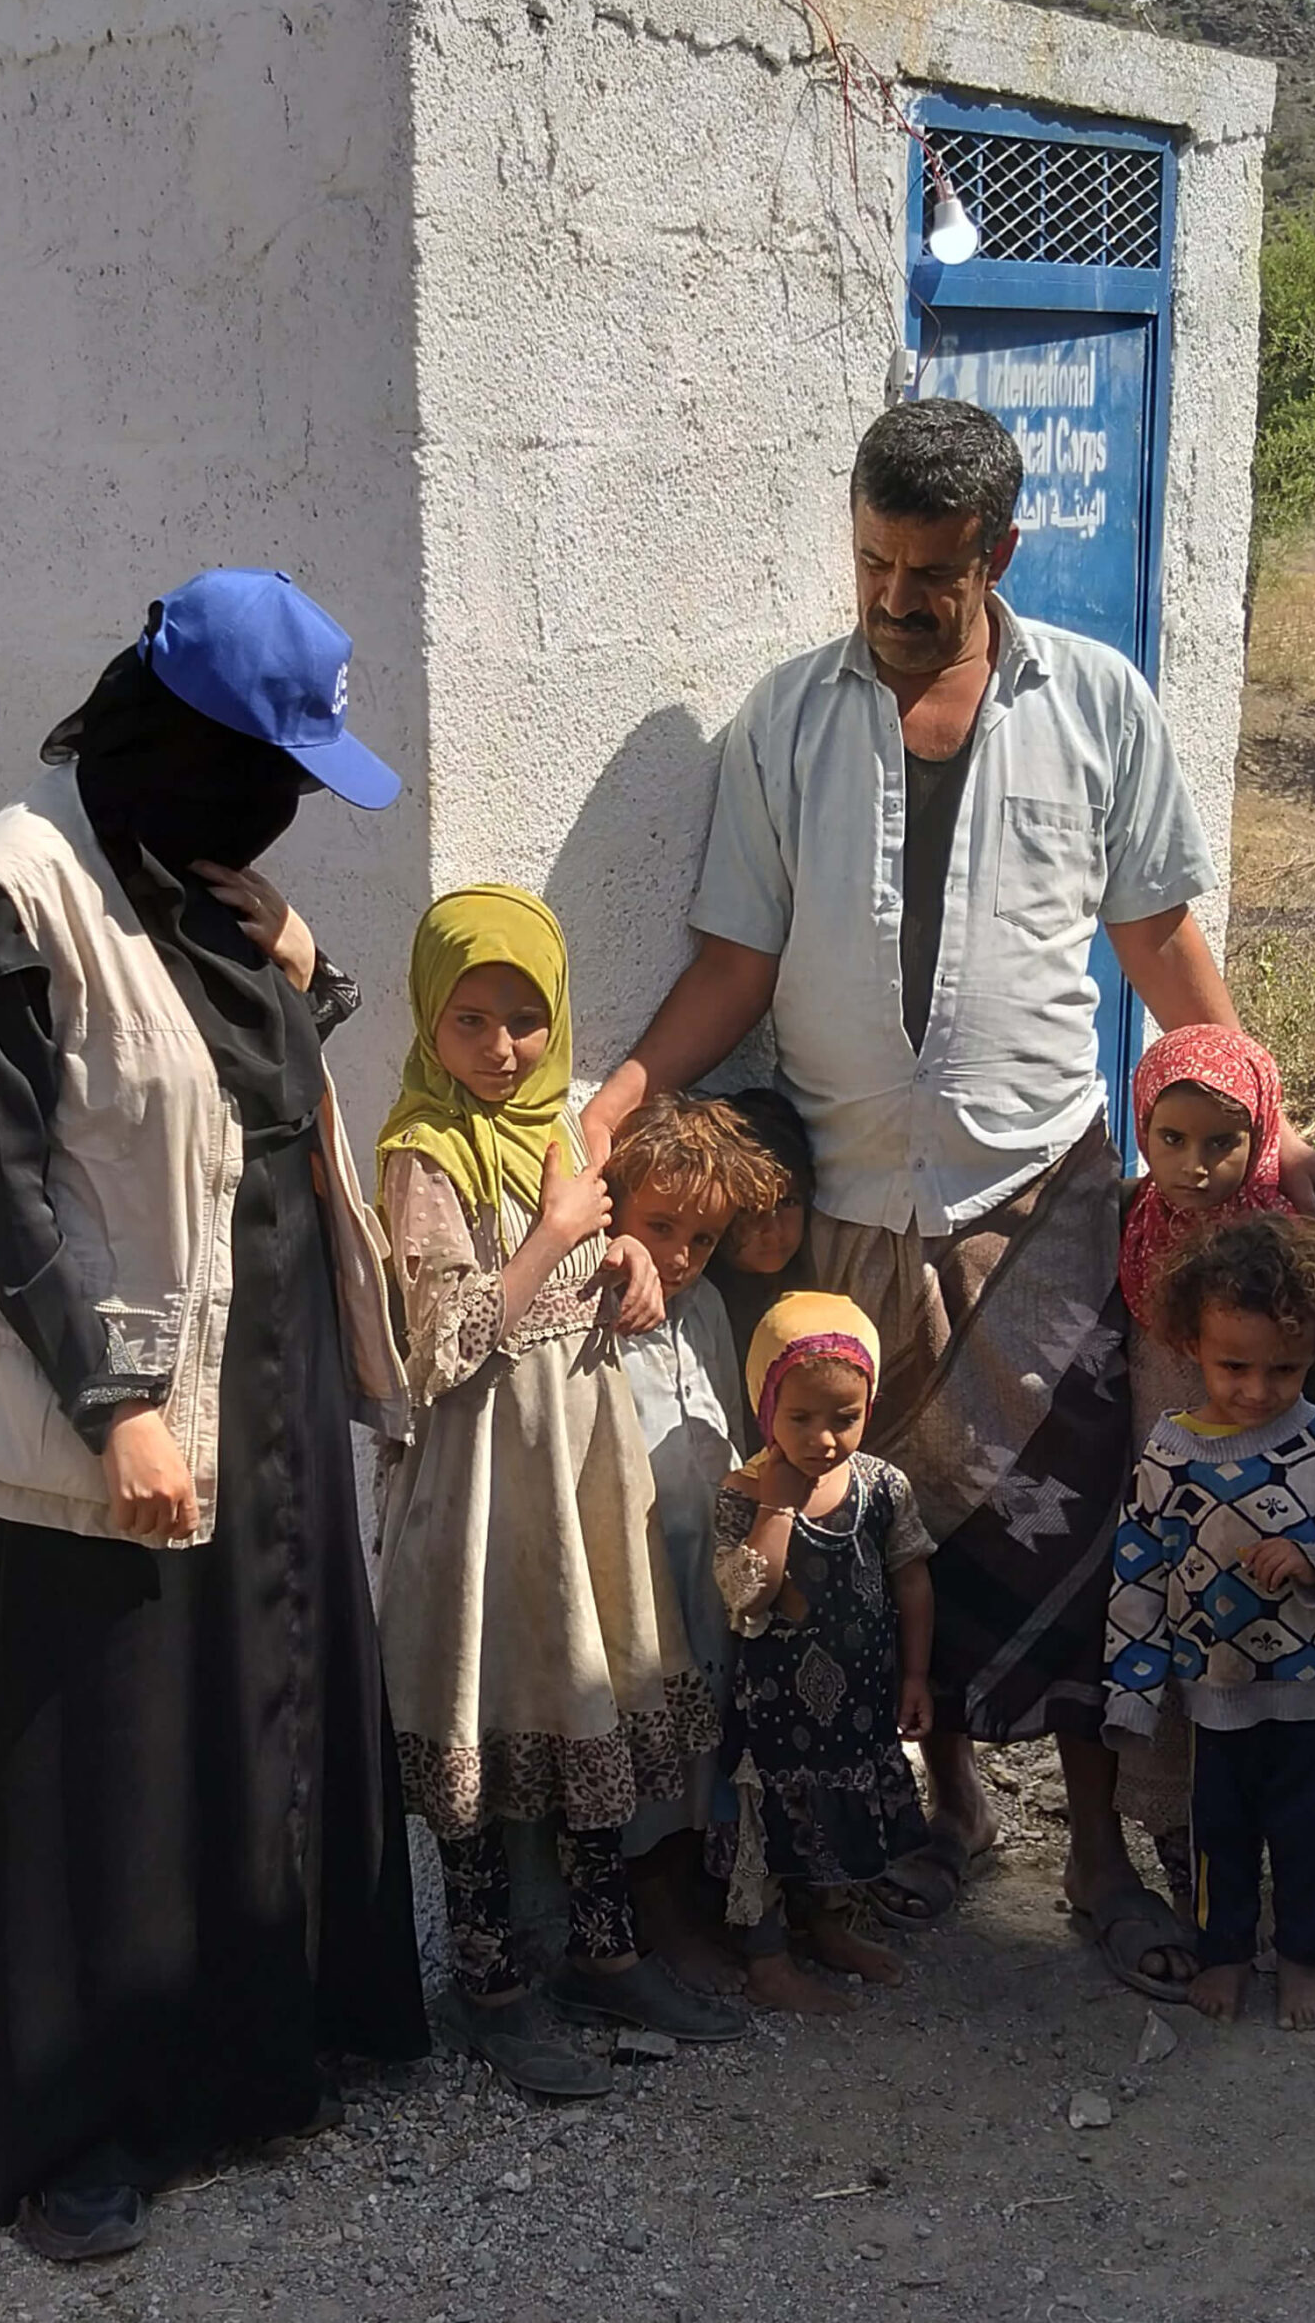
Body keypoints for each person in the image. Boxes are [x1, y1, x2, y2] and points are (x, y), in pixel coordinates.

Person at [585, 396, 1315, 1997]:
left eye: (925, 572)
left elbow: (1155, 945)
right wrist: (616, 1099)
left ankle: (1088, 1855)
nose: (889, 599)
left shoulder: (1097, 706)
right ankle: (932, 1816)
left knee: (1071, 1540)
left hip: (1045, 1200)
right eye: (868, 562)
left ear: (996, 553)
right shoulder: (786, 722)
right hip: (849, 1209)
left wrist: (1257, 1135)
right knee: (873, 1547)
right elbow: (734, 961)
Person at [0, 571, 429, 2260]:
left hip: (270, 1358)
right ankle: (77, 2132)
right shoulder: (14, 888)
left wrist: (313, 981)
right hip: (112, 1379)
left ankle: (265, 2048)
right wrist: (113, 1407)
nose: (282, 807)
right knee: (105, 1745)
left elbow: (232, 1087)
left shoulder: (201, 876)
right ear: (182, 738)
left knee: (265, 1691)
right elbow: (0, 1178)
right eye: (266, 762)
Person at [373, 886, 746, 2098]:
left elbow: (595, 1244)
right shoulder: (420, 1155)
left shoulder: (570, 1122)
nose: (499, 1050)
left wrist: (621, 1246)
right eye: (470, 1020)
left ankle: (604, 1952)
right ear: (430, 1019)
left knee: (592, 1703)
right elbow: (437, 1345)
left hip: (579, 1469)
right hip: (482, 1484)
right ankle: (490, 1985)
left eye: (524, 1020)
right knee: (480, 1723)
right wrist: (549, 1233)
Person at [1104, 1216, 1315, 2030]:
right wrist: (1132, 1689)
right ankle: (1227, 1953)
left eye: (1282, 1368)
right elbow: (1138, 1572)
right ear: (1190, 1345)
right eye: (1231, 1365)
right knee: (1221, 1835)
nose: (1254, 1389)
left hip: (1314, 1695)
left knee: (1310, 1832)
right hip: (1213, 1696)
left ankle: (1305, 1958)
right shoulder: (1168, 1456)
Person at [1113, 1024, 1299, 1924]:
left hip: (1270, 1513)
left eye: (1222, 1142)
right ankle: (1192, 1888)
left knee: (1258, 1682)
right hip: (1166, 1505)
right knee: (1177, 1679)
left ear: (1260, 1133)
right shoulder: (1130, 1228)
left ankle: (1264, 1882)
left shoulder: (1289, 1246)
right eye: (1169, 1140)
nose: (1193, 1166)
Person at [713, 1294, 940, 2012]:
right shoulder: (742, 1493)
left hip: (858, 1702)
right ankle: (768, 1958)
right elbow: (746, 1595)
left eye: (844, 1417)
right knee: (773, 1822)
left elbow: (911, 1578)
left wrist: (914, 1675)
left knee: (839, 1813)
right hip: (773, 1713)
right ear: (764, 1404)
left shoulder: (880, 1485)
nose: (823, 1440)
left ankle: (830, 1925)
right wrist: (777, 1508)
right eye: (800, 1418)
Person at [604, 1095, 786, 1988]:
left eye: (702, 1238)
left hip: (701, 1567)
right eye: (659, 1227)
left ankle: (703, 1901)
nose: (677, 1257)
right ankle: (654, 1917)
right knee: (645, 1744)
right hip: (633, 1574)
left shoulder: (706, 1306)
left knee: (703, 1740)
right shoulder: (600, 1310)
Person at [703, 1087, 819, 1450]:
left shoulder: (820, 1292)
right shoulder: (701, 1306)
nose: (772, 1230)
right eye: (750, 1208)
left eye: (787, 1202)